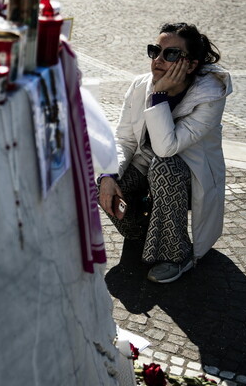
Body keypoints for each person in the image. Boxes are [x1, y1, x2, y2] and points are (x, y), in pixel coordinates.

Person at [98, 22, 232, 283]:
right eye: (155, 51)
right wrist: (108, 175)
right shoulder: (140, 85)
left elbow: (166, 147)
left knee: (164, 165)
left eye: (170, 54)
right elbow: (124, 139)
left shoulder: (210, 95)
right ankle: (142, 231)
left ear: (191, 65)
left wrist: (160, 96)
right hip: (147, 163)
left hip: (191, 176)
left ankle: (176, 255)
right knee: (102, 179)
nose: (158, 60)